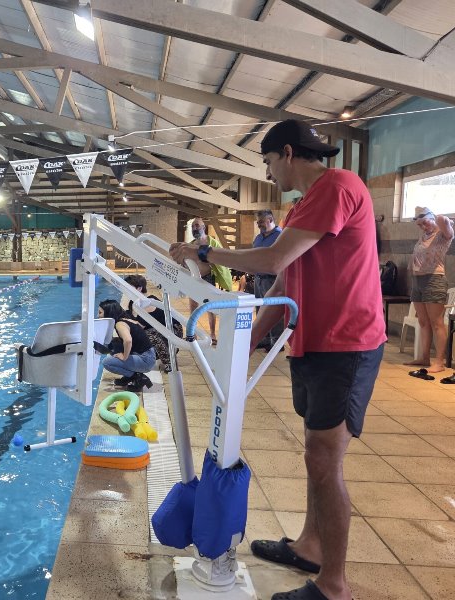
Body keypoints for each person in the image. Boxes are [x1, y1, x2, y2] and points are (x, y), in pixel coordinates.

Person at [169, 119, 386, 600]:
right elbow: (287, 283)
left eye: (268, 162)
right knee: (315, 454)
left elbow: (270, 263)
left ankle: (333, 585)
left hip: (346, 344)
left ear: (287, 152)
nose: (268, 173)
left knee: (324, 459)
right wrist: (243, 345)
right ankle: (310, 546)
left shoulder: (338, 186)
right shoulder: (303, 205)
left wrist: (206, 252)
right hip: (316, 343)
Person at [404, 206, 453, 374]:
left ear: (432, 217)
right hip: (418, 280)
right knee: (423, 322)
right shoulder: (424, 235)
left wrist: (433, 217)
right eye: (419, 225)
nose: (423, 227)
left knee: (436, 323)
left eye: (425, 223)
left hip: (434, 280)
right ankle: (424, 357)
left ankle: (439, 362)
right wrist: (423, 219)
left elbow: (443, 220)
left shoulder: (443, 235)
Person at [123, 274, 183, 373]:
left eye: (128, 288)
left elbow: (139, 326)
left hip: (173, 331)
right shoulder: (133, 303)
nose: (125, 290)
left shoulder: (150, 302)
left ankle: (170, 363)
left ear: (139, 288)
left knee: (147, 334)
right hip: (159, 331)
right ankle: (169, 349)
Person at [187, 217, 233, 344]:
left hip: (208, 278)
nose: (194, 228)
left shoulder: (212, 243)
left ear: (203, 227)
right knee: (193, 307)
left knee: (210, 307)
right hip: (194, 279)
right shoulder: (191, 245)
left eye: (197, 225)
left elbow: (222, 259)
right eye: (193, 226)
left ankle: (212, 334)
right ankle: (193, 333)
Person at [99, 299, 156, 392]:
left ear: (109, 313)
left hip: (146, 360)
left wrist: (124, 356)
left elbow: (128, 341)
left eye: (100, 312)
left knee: (107, 362)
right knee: (113, 344)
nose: (99, 315)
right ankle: (129, 376)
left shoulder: (120, 324)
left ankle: (138, 378)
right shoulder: (124, 319)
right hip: (148, 355)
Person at [252, 209, 284, 350]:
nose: (258, 225)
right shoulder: (258, 238)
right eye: (258, 222)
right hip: (258, 278)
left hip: (272, 279)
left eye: (261, 222)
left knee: (273, 310)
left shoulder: (280, 236)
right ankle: (264, 338)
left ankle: (276, 342)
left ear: (270, 220)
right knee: (260, 309)